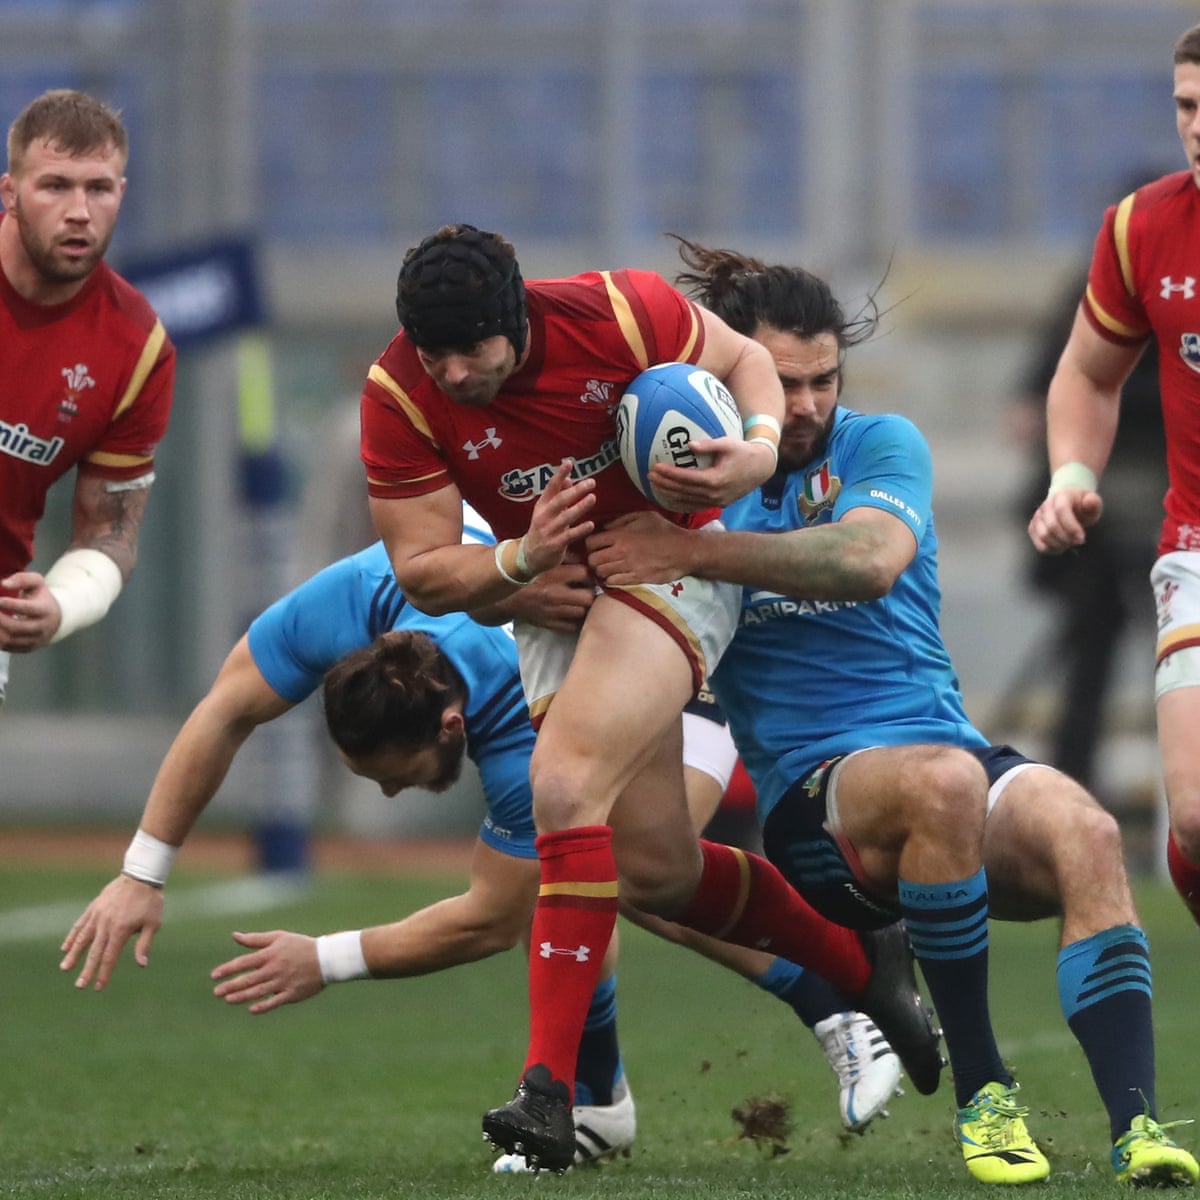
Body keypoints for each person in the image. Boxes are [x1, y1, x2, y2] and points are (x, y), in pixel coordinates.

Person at [585, 237, 1199, 1187]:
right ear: (732, 370)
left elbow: (867, 559)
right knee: (938, 788)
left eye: (824, 379)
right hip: (817, 803)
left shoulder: (880, 445)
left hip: (947, 757)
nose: (806, 406)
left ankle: (1139, 1130)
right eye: (783, 383)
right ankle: (984, 1096)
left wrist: (694, 556)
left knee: (1084, 828)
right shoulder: (684, 486)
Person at [360, 223, 940, 1170]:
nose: (457, 372)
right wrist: (519, 559)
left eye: (475, 349)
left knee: (563, 786)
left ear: (518, 319)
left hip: (671, 567)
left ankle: (550, 1093)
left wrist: (754, 454)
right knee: (660, 872)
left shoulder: (618, 312)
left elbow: (747, 359)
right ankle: (857, 967)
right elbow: (424, 570)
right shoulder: (398, 395)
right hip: (554, 599)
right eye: (438, 355)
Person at [58, 523, 904, 1171]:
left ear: (452, 726)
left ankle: (836, 1001)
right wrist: (143, 871)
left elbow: (492, 921)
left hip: (679, 666)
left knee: (638, 873)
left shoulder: (514, 746)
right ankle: (597, 1101)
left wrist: (329, 958)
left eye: (396, 774)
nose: (386, 793)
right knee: (589, 879)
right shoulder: (359, 596)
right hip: (578, 654)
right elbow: (224, 708)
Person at [1027, 23, 1200, 934]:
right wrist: (1070, 474)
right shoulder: (1141, 229)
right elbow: (1087, 373)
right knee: (1199, 821)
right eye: (1186, 105)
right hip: (1196, 546)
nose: (1198, 125)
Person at [0, 89, 176, 707]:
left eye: (97, 189)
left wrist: (63, 603)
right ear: (10, 192)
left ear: (120, 195)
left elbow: (109, 532)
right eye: (54, 186)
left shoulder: (137, 348)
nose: (79, 211)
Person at [1010, 226, 1166, 795]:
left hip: (1161, 506)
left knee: (1170, 652)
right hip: (1098, 522)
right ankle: (1072, 787)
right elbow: (1059, 383)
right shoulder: (1099, 296)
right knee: (1091, 650)